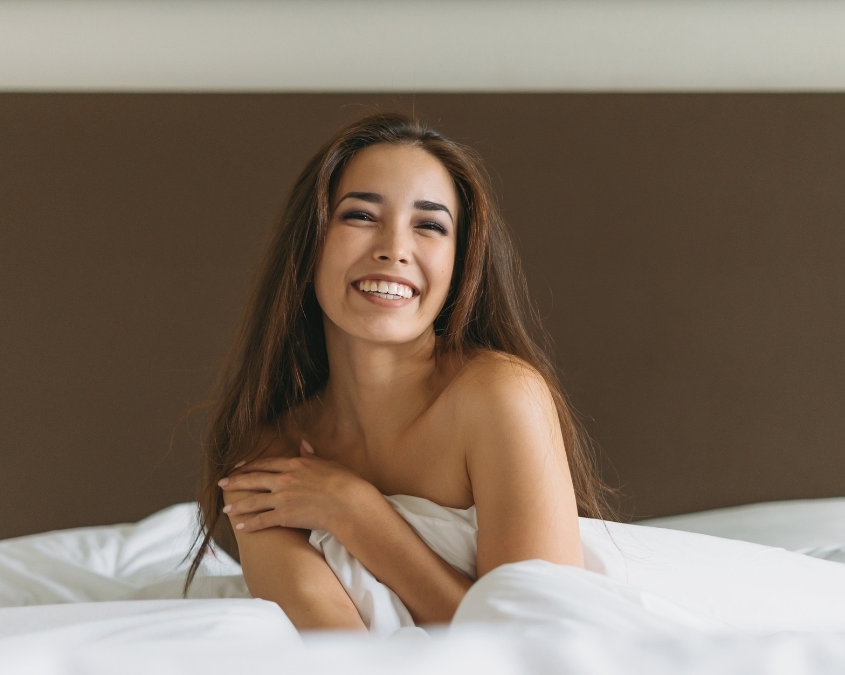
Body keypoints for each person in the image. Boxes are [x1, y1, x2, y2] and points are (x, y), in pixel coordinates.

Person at [185, 112, 612, 630]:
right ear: (310, 242)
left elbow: (535, 646)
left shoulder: (499, 397)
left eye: (430, 225)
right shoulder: (269, 457)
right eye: (361, 216)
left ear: (460, 265)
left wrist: (357, 515)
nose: (394, 248)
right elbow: (335, 649)